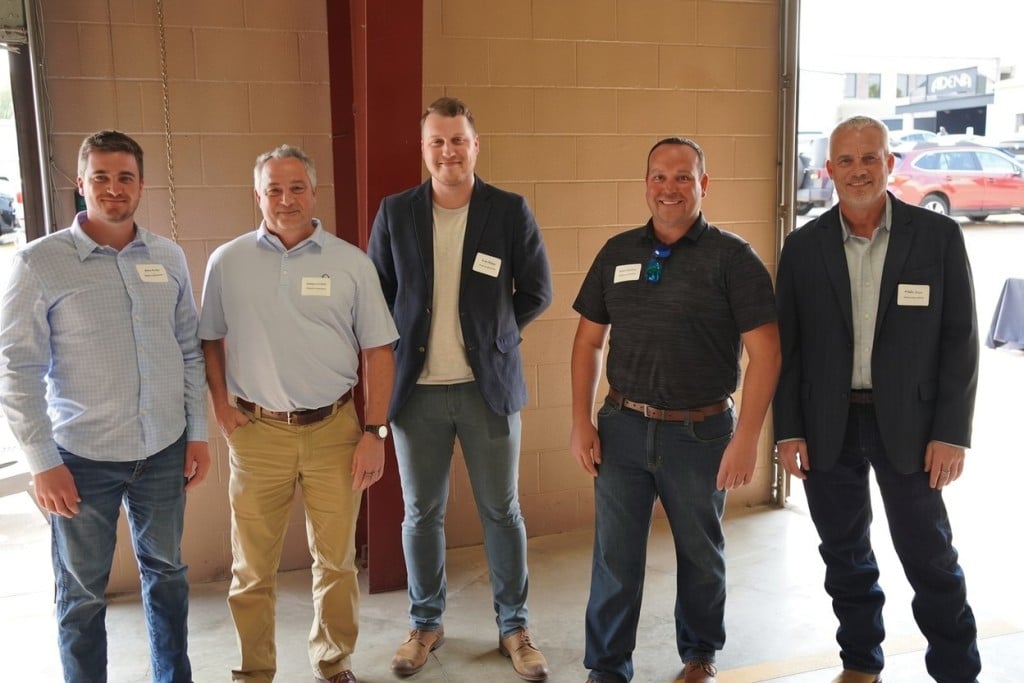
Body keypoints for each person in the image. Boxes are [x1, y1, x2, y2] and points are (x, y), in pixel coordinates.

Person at [773, 115, 981, 683]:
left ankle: (958, 671)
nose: (859, 170)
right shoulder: (802, 247)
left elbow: (959, 341)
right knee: (844, 554)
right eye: (846, 160)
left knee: (929, 555)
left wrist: (951, 433)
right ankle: (861, 661)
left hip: (912, 427)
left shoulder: (936, 238)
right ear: (830, 170)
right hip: (826, 426)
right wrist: (788, 430)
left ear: (890, 164)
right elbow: (785, 350)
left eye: (871, 159)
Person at [0, 130, 210, 683]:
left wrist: (198, 433)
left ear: (141, 184)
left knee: (167, 576)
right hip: (81, 461)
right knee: (83, 594)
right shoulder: (40, 263)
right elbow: (15, 369)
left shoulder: (167, 257)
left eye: (125, 177)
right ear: (81, 183)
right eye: (101, 177)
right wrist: (44, 463)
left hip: (162, 451)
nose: (113, 189)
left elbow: (189, 350)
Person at [569, 137, 780, 683]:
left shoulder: (733, 258)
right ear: (645, 185)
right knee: (615, 559)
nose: (670, 188)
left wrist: (746, 439)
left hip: (701, 434)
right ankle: (608, 667)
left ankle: (699, 656)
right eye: (659, 177)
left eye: (683, 177)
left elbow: (767, 354)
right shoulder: (617, 252)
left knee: (700, 554)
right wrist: (580, 421)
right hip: (622, 428)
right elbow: (588, 342)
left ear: (704, 185)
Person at [367, 96, 553, 681]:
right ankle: (426, 624)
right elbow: (376, 297)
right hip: (415, 394)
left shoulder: (508, 210)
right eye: (437, 142)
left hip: (487, 389)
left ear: (476, 145)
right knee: (422, 515)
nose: (448, 151)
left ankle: (514, 627)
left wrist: (495, 339)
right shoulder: (396, 213)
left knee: (502, 510)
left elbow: (538, 290)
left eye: (458, 140)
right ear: (425, 150)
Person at [199, 145, 398, 683]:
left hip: (335, 430)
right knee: (252, 569)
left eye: (295, 188)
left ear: (313, 193)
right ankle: (253, 671)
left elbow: (380, 351)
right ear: (257, 196)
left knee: (335, 564)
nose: (285, 200)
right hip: (256, 433)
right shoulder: (228, 261)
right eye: (273, 189)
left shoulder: (350, 263)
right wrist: (220, 403)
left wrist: (375, 431)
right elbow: (210, 340)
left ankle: (333, 663)